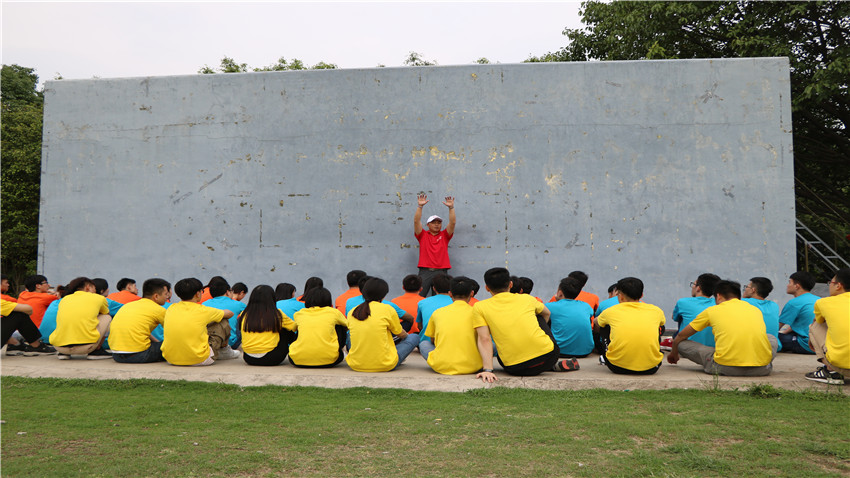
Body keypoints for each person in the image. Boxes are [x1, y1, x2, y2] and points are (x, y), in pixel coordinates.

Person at [472, 268, 568, 380]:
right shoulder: (527, 299)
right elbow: (547, 313)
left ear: (487, 288)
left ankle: (536, 363)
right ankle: (548, 365)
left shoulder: (480, 307)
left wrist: (488, 370)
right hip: (548, 357)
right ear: (511, 284)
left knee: (501, 353)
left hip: (514, 367)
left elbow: (485, 339)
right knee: (538, 314)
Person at [668, 280, 778, 376]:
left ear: (719, 296)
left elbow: (682, 335)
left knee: (681, 342)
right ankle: (759, 361)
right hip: (762, 369)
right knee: (771, 338)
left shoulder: (712, 311)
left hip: (725, 368)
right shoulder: (754, 310)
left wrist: (674, 351)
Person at [594, 277, 665, 375]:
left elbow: (595, 323)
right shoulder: (656, 311)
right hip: (652, 367)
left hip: (617, 367)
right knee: (660, 327)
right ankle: (650, 355)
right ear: (642, 295)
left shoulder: (611, 311)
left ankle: (606, 354)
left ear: (621, 296)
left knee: (603, 325)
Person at [346, 277, 419, 372]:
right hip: (385, 364)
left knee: (349, 334)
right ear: (384, 295)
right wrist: (406, 338)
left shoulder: (353, 311)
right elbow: (400, 333)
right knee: (415, 337)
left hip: (355, 364)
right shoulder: (387, 309)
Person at [161, 278, 237, 366]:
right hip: (199, 359)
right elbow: (230, 314)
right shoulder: (203, 310)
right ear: (197, 294)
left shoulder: (171, 308)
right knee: (222, 320)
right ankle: (224, 351)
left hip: (170, 359)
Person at [420, 276, 483, 375]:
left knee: (424, 344)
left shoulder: (437, 313)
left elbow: (433, 340)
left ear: (450, 294)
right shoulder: (477, 313)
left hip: (441, 366)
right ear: (472, 293)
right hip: (473, 366)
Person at [109, 278, 172, 363]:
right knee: (174, 346)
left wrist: (158, 343)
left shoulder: (129, 305)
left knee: (159, 344)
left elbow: (140, 331)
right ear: (156, 296)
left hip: (116, 355)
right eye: (165, 294)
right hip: (139, 355)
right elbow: (174, 332)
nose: (167, 297)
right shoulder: (158, 310)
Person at [49, 277, 113, 360]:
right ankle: (96, 351)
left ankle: (64, 353)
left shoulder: (64, 299)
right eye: (94, 288)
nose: (95, 291)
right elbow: (105, 313)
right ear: (88, 287)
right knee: (106, 317)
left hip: (59, 347)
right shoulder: (99, 298)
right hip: (87, 347)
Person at [805, 268, 849, 384]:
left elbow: (819, 321)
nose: (829, 286)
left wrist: (811, 340)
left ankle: (831, 372)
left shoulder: (823, 302)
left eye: (831, 283)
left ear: (838, 286)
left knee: (815, 326)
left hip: (842, 366)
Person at [289, 287, 348, 368]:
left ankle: (303, 350)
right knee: (340, 325)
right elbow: (349, 325)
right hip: (330, 360)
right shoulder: (334, 312)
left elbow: (293, 328)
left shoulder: (300, 313)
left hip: (297, 360)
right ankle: (334, 350)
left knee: (300, 328)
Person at [239, 285, 297, 366]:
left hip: (249, 358)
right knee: (285, 329)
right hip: (271, 358)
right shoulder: (277, 314)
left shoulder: (244, 314)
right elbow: (295, 327)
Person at [413, 193, 456, 297]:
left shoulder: (445, 235)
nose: (437, 224)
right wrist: (420, 207)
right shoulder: (422, 235)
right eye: (433, 222)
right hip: (425, 271)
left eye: (439, 222)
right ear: (428, 225)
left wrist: (451, 208)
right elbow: (416, 221)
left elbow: (452, 223)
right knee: (419, 296)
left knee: (441, 297)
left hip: (442, 271)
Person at [548, 277, 595, 358]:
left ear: (559, 293)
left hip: (559, 351)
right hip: (585, 351)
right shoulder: (586, 306)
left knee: (544, 317)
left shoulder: (550, 306)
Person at [671, 273, 720, 347]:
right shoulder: (718, 304)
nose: (692, 287)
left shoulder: (683, 302)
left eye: (693, 284)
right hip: (714, 347)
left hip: (689, 347)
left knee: (681, 317)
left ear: (698, 288)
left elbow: (674, 317)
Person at [778, 271, 818, 354]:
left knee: (771, 337)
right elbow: (803, 323)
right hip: (821, 344)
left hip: (806, 345)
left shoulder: (794, 303)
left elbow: (777, 326)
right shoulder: (818, 299)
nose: (787, 285)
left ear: (797, 286)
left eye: (789, 282)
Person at [203, 278, 247, 349]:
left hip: (210, 341)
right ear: (227, 292)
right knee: (241, 318)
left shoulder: (204, 304)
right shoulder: (238, 304)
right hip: (232, 343)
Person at [742, 277, 781, 349]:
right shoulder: (774, 305)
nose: (745, 289)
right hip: (772, 347)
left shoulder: (743, 303)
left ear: (753, 290)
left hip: (753, 347)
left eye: (747, 287)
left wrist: (743, 297)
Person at [416, 273, 453, 343]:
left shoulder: (422, 302)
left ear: (434, 288)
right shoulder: (457, 302)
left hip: (428, 342)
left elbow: (420, 326)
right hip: (450, 342)